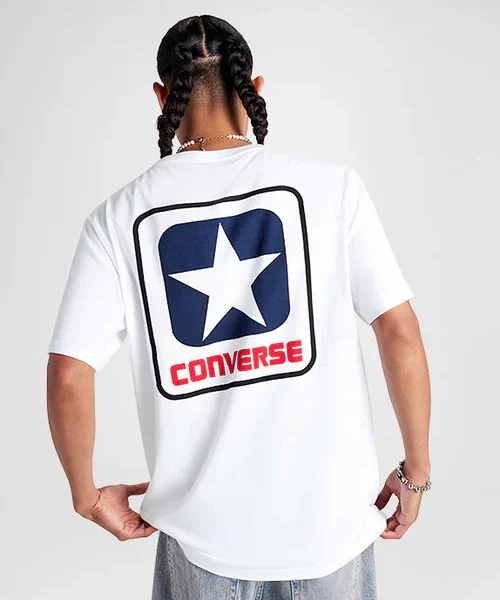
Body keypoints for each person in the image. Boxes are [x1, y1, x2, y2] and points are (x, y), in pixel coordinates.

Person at [46, 14, 431, 600]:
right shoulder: (331, 187)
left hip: (203, 541)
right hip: (329, 530)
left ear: (162, 97)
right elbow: (398, 330)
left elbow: (69, 374)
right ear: (253, 88)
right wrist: (416, 472)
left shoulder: (118, 218)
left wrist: (86, 495)